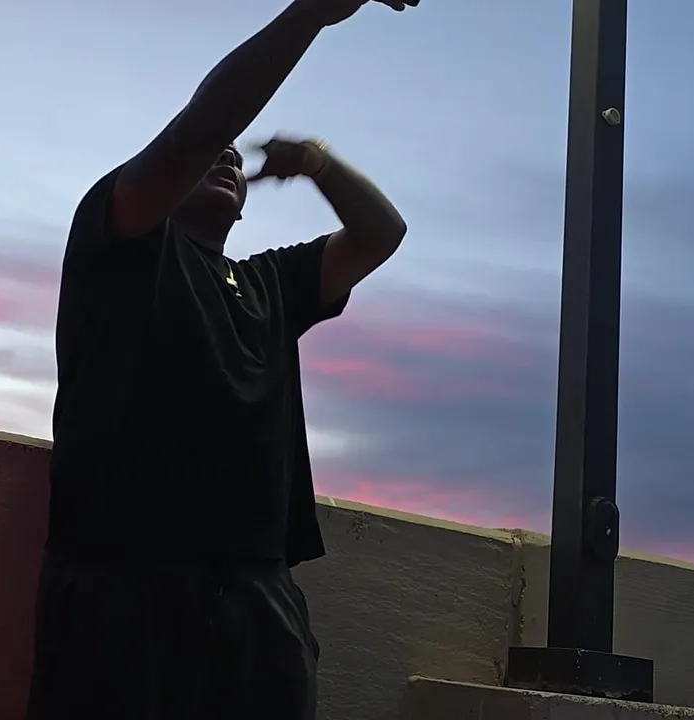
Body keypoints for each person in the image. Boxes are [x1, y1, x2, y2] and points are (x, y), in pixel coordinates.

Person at [27, 0, 418, 717]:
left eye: (237, 159)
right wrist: (311, 14)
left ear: (244, 205)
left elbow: (381, 233)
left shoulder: (271, 283)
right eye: (214, 152)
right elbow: (201, 128)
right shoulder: (118, 239)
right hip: (122, 583)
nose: (227, 157)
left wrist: (317, 162)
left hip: (257, 590)